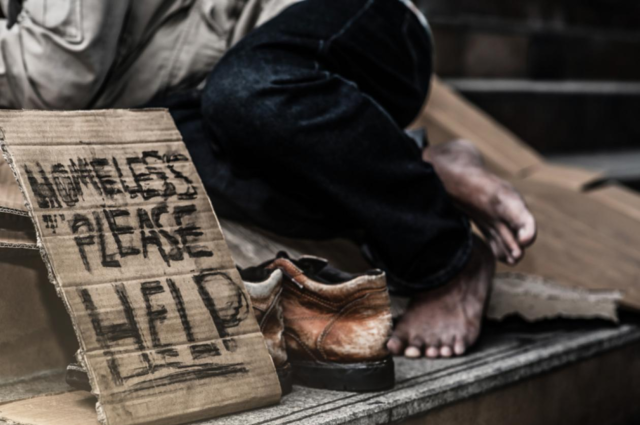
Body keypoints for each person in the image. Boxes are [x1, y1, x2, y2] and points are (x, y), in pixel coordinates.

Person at [0, 0, 535, 359]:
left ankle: (446, 258)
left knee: (247, 91)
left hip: (356, 24)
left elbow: (57, 76)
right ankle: (416, 163)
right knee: (161, 162)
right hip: (229, 96)